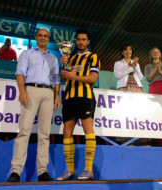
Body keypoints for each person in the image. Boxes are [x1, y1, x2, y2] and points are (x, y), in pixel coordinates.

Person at [7, 28, 61, 182]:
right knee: (24, 131)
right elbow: (20, 73)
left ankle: (42, 172)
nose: (43, 38)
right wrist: (22, 91)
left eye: (45, 36)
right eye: (40, 35)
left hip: (48, 94)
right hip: (31, 90)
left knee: (44, 134)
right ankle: (15, 172)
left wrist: (57, 96)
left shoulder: (54, 58)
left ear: (48, 38)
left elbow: (56, 79)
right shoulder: (27, 53)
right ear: (36, 37)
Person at [56, 29, 100, 181]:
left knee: (88, 130)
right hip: (69, 97)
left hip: (85, 97)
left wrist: (75, 76)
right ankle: (70, 171)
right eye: (79, 39)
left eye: (84, 39)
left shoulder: (93, 56)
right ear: (76, 42)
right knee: (67, 131)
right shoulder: (71, 58)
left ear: (88, 42)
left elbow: (93, 78)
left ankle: (88, 169)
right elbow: (63, 77)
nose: (81, 42)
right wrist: (64, 66)